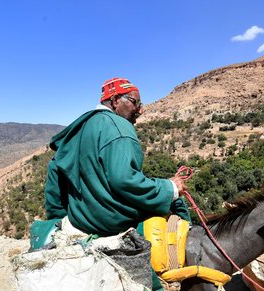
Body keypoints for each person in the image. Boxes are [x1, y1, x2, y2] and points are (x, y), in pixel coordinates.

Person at [44, 77, 188, 236]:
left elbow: (54, 170)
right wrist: (170, 188)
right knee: (177, 206)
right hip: (111, 221)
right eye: (135, 102)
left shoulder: (82, 125)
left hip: (80, 218)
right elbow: (124, 180)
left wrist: (58, 217)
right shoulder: (119, 128)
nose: (140, 110)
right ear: (115, 101)